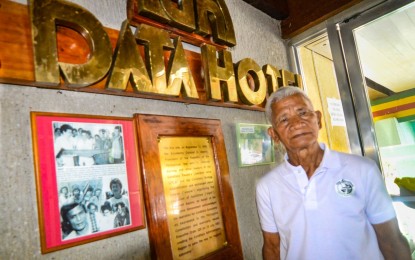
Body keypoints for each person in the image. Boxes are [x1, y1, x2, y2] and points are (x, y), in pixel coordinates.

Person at [256, 86, 411, 260]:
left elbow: (391, 240)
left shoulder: (363, 170)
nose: (297, 123)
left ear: (319, 119)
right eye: (284, 119)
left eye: (303, 113)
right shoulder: (267, 187)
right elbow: (272, 246)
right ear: (274, 135)